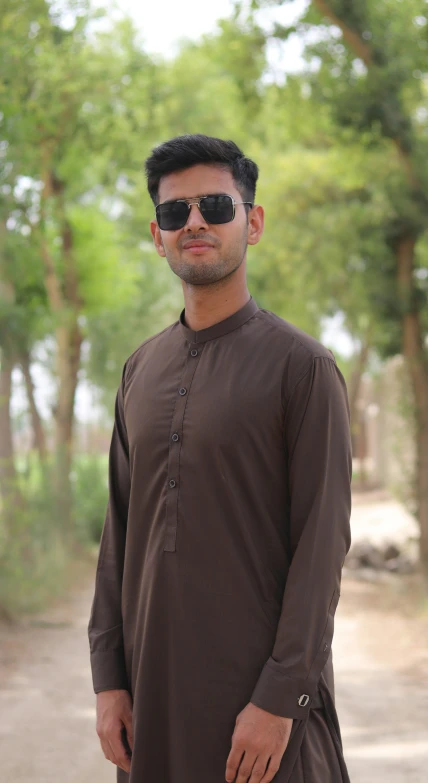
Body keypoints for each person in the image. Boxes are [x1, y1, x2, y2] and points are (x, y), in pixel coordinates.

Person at [88, 133, 352, 783]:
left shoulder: (303, 369)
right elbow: (118, 535)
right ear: (158, 235)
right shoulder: (139, 370)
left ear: (253, 222)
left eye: (216, 205)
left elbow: (322, 546)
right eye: (177, 213)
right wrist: (107, 681)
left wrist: (281, 696)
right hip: (152, 701)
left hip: (259, 717)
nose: (196, 222)